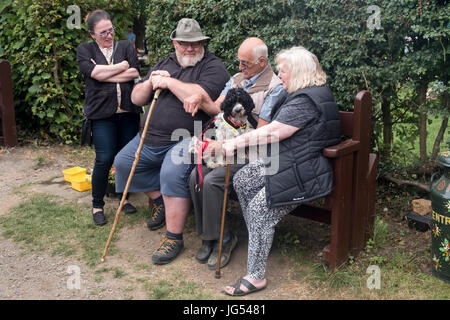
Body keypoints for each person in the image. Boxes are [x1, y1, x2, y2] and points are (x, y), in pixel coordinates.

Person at [220, 46, 341, 296]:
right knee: (242, 179)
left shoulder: (306, 99)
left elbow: (274, 131)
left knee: (259, 209)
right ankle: (259, 238)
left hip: (306, 171)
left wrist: (231, 143)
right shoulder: (306, 93)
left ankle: (255, 276)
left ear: (297, 72)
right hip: (293, 162)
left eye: (283, 71)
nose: (279, 75)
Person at [114, 18, 229, 264]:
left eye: (196, 43)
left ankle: (173, 237)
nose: (190, 48)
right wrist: (151, 81)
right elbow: (136, 99)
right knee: (122, 163)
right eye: (185, 44)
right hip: (149, 137)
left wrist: (168, 82)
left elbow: (202, 99)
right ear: (175, 43)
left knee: (171, 172)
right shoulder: (164, 62)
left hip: (189, 137)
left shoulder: (212, 67)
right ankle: (160, 202)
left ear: (202, 43)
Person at [183, 37, 285, 270]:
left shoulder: (274, 88)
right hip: (225, 146)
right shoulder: (236, 79)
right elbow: (215, 108)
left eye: (245, 63)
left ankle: (225, 239)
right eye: (239, 62)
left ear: (261, 62)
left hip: (254, 154)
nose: (240, 68)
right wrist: (200, 98)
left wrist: (226, 147)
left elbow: (262, 133)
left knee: (212, 181)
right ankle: (209, 237)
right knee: (195, 176)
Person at [77, 10, 141, 226]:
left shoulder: (125, 46)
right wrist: (121, 66)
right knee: (104, 159)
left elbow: (134, 73)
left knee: (124, 159)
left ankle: (123, 199)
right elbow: (92, 74)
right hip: (102, 114)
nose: (108, 35)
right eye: (102, 32)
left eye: (110, 30)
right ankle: (97, 204)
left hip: (128, 113)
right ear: (92, 34)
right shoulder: (85, 49)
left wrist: (106, 73)